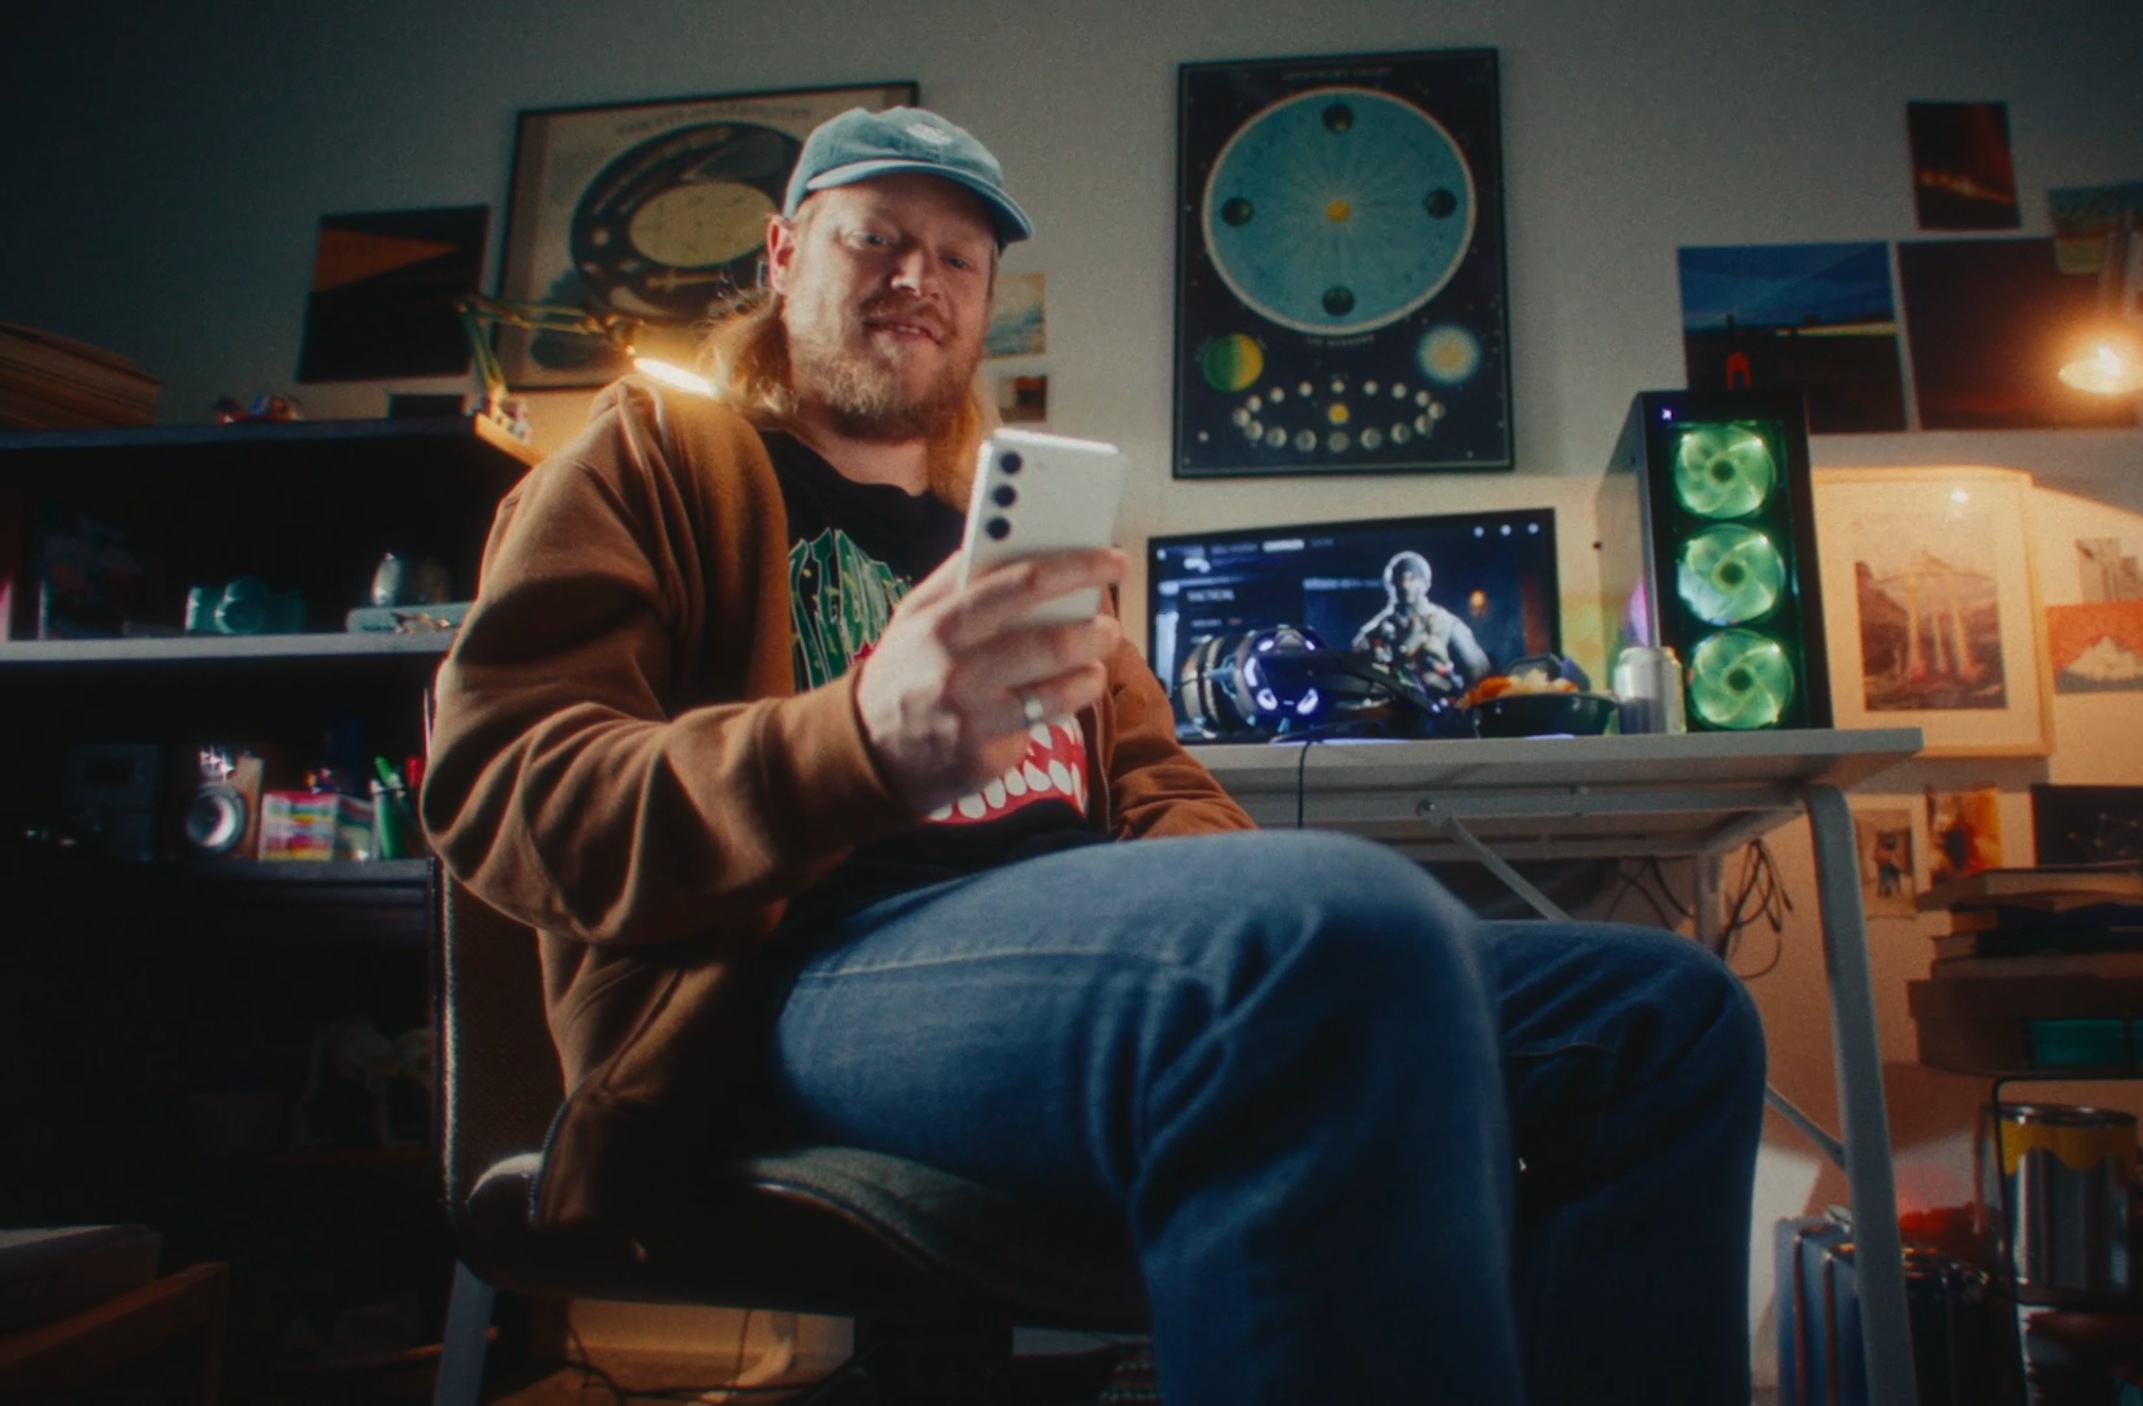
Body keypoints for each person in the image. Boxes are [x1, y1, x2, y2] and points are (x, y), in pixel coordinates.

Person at [422, 105, 1765, 1406]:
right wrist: (856, 742)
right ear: (781, 255)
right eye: (875, 238)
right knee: (1330, 933)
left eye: (957, 259)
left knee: (1662, 1014)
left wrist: (1228, 913)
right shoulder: (652, 458)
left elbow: (1163, 786)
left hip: (1066, 956)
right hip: (793, 971)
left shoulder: (1006, 538)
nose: (918, 280)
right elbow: (501, 789)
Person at [1351, 548, 1493, 698]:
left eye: (1411, 578)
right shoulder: (1378, 629)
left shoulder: (1445, 623)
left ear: (1424, 583)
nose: (1405, 585)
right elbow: (1356, 671)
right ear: (1392, 584)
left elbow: (1479, 671)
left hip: (1441, 704)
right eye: (1399, 579)